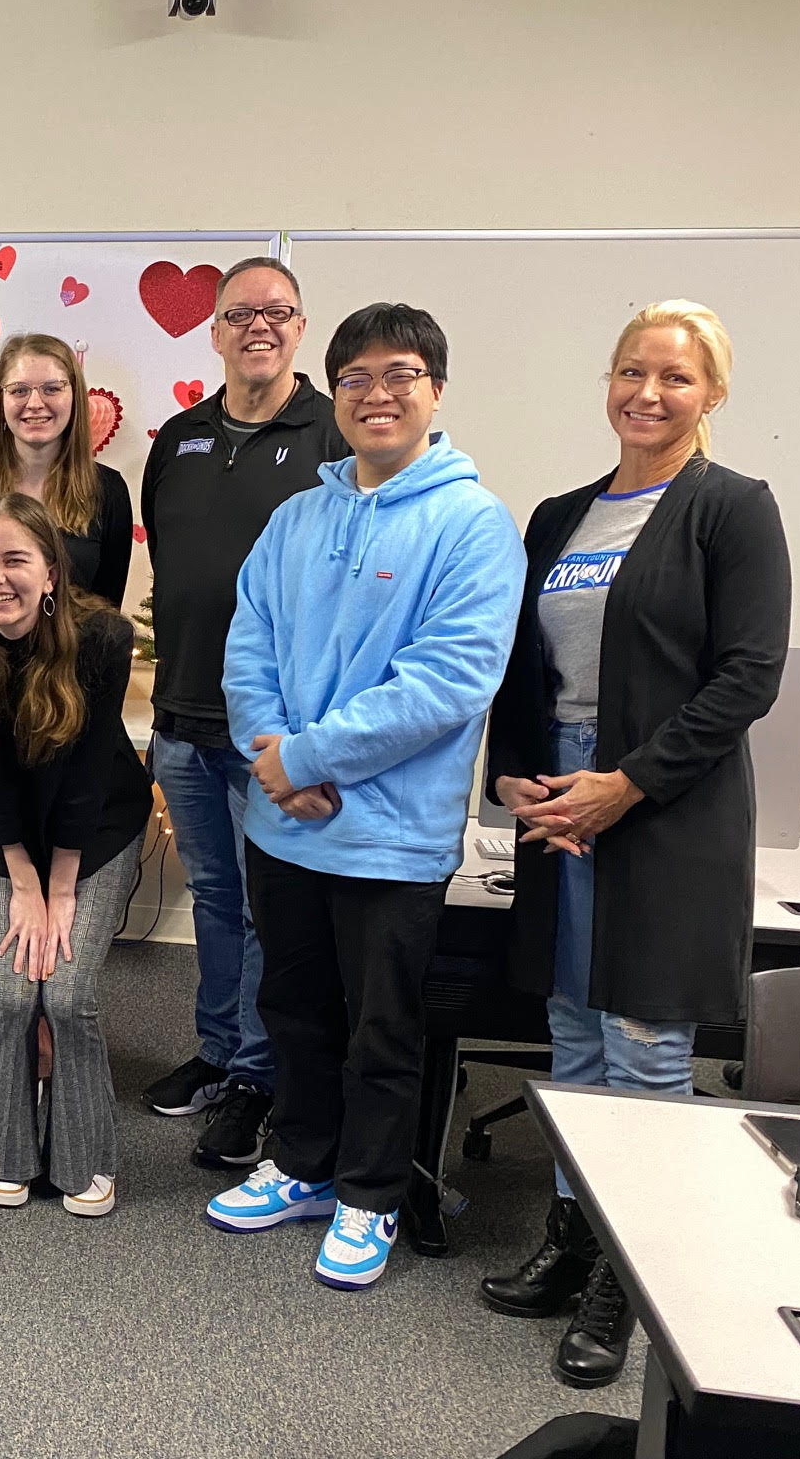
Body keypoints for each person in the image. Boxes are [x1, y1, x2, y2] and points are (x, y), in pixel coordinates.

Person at [478, 301, 789, 1387]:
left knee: (647, 1052)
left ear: (712, 394)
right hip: (565, 806)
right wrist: (514, 772)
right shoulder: (561, 515)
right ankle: (576, 1238)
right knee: (571, 1039)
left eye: (674, 377)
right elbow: (523, 667)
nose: (647, 394)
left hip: (666, 812)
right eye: (629, 372)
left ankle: (632, 1271)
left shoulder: (732, 508)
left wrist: (629, 784)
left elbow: (747, 675)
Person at [204, 303, 524, 1291]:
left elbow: (445, 684)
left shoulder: (471, 524)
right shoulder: (296, 517)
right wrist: (273, 755)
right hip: (284, 829)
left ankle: (371, 1194)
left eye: (401, 375)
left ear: (434, 389)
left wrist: (305, 763)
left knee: (382, 1030)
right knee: (293, 1008)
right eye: (357, 378)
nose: (378, 394)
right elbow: (247, 642)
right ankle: (303, 1165)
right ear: (332, 393)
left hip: (390, 840)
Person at [138, 257, 345, 1169]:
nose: (258, 326)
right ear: (214, 331)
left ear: (301, 329)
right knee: (215, 901)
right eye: (239, 313)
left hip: (272, 728)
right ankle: (219, 1052)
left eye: (278, 311)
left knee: (269, 911)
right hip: (181, 717)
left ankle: (260, 1077)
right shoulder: (177, 438)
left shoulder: (337, 431)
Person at [0, 333, 132, 1110]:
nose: (35, 403)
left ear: (75, 401)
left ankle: (38, 1044)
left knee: (50, 869)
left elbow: (98, 608)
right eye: (19, 389)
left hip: (61, 703)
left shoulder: (104, 489)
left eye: (52, 388)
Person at [0, 494, 148, 1216]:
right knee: (16, 992)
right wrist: (23, 881)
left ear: (51, 573)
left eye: (15, 560)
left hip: (99, 830)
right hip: (10, 831)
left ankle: (84, 1154)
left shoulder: (103, 639)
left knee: (71, 996)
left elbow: (86, 781)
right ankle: (5, 1150)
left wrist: (59, 893)